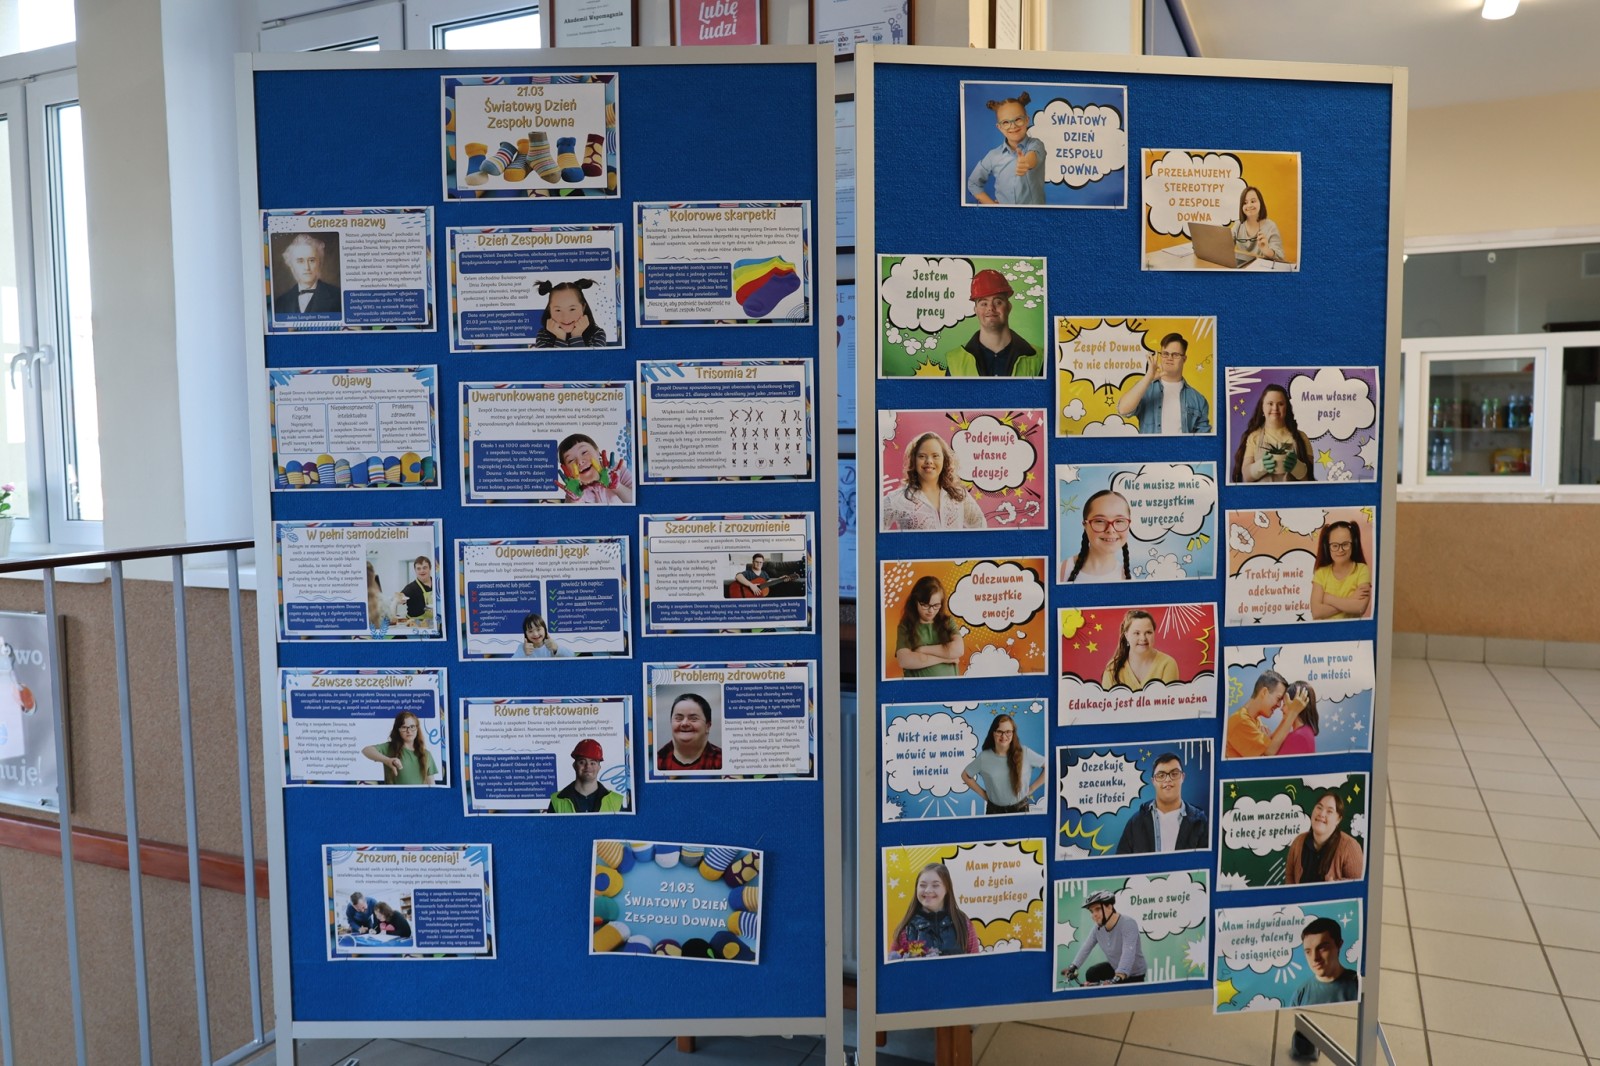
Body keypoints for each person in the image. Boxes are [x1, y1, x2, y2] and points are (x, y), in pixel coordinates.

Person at [1288, 917, 1360, 1061]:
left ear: (1339, 945)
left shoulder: (1357, 985)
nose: (1315, 958)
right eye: (1308, 951)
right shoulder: (1301, 993)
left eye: (1322, 948)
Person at [881, 432, 986, 530]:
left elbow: (981, 526)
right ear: (914, 460)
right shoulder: (897, 499)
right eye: (922, 456)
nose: (929, 461)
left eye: (935, 456)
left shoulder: (959, 494)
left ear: (944, 460)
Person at [947, 270, 1041, 377]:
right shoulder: (955, 362)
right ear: (975, 310)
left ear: (1009, 307)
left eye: (998, 302)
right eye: (984, 303)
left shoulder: (1038, 359)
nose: (991, 308)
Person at [1116, 333, 1213, 434]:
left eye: (1175, 355)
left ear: (1184, 359)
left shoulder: (1198, 400)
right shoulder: (1145, 388)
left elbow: (1204, 439)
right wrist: (1148, 377)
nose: (1169, 358)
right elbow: (1123, 410)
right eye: (1165, 353)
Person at [1114, 753, 1208, 854]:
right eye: (1161, 775)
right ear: (1153, 781)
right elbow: (1121, 861)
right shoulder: (1136, 822)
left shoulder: (1200, 822)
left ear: (1182, 777)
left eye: (1174, 774)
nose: (1168, 779)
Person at [966, 91, 1044, 206]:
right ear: (999, 127)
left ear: (1027, 120)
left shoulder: (1036, 144)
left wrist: (1026, 162)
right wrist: (991, 205)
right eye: (1006, 122)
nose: (1013, 126)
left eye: (1018, 119)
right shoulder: (993, 156)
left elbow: (1033, 156)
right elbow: (973, 183)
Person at [888, 863, 979, 959]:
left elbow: (976, 962)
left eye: (935, 885)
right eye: (922, 885)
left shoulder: (963, 923)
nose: (928, 890)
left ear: (947, 888)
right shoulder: (906, 928)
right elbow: (893, 963)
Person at [960, 714, 1045, 814]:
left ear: (1013, 733)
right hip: (994, 810)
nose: (1003, 736)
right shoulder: (984, 757)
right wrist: (984, 795)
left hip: (1021, 809)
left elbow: (1048, 767)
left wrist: (1032, 789)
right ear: (993, 733)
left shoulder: (1025, 753)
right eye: (999, 731)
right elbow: (965, 775)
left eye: (1008, 732)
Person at [1060, 890, 1147, 985]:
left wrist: (1118, 976)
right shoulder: (1097, 928)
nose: (1094, 915)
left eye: (1097, 909)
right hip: (1116, 968)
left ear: (1109, 907)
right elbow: (1086, 947)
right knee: (1092, 973)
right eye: (1091, 911)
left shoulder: (1128, 923)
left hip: (1134, 974)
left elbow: (1128, 952)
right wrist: (1073, 967)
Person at [1232, 384, 1313, 483]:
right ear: (1262, 407)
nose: (1275, 408)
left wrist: (1298, 468)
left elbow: (1309, 478)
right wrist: (1261, 466)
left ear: (1287, 408)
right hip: (1262, 493)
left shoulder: (1301, 437)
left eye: (1280, 404)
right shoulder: (1254, 437)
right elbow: (1246, 476)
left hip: (1293, 493)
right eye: (1270, 403)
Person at [1224, 670, 1310, 758]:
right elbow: (1270, 751)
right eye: (1278, 699)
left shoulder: (1254, 719)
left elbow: (1270, 744)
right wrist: (1293, 712)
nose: (1279, 705)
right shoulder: (1241, 721)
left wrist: (1287, 715)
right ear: (1264, 692)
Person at [1286, 790, 1365, 885]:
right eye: (1319, 807)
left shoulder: (1350, 847)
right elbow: (1289, 878)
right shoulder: (1298, 842)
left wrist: (1335, 887)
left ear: (1338, 819)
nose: (1322, 814)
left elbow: (1358, 887)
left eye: (1329, 811)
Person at [893, 575, 963, 678]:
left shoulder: (947, 622)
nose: (931, 611)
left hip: (949, 685)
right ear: (915, 601)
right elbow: (904, 660)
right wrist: (945, 659)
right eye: (925, 605)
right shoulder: (906, 626)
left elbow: (958, 650)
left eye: (936, 605)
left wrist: (922, 650)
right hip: (920, 687)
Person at [1062, 489, 1132, 583]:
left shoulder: (1129, 579)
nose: (1110, 530)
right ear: (1085, 525)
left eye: (1119, 521)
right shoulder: (1060, 571)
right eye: (1100, 521)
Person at [1101, 609, 1178, 691]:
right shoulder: (1112, 669)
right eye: (1137, 633)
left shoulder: (1167, 664)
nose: (1143, 638)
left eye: (1148, 632)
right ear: (1126, 635)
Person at [1311, 521, 1372, 620]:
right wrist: (1351, 599)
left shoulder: (1362, 569)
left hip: (1352, 629)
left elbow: (1360, 608)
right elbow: (1316, 612)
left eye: (1345, 544)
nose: (1340, 550)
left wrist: (1328, 598)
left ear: (1354, 544)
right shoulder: (1321, 573)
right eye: (1335, 545)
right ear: (1327, 547)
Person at [548, 738, 626, 812]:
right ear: (574, 765)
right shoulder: (557, 800)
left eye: (592, 763)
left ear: (599, 767)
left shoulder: (616, 801)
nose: (588, 766)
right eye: (582, 762)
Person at [272, 233, 342, 315]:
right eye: (300, 261)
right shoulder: (281, 302)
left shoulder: (338, 297)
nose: (307, 267)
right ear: (291, 265)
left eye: (312, 260)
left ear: (319, 263)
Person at [556, 432, 634, 504]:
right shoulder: (574, 489)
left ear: (597, 452)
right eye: (571, 460)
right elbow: (570, 513)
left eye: (584, 452)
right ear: (567, 470)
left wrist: (617, 487)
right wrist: (574, 500)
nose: (579, 461)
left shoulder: (615, 471)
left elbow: (636, 500)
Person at [361, 711, 437, 784]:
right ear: (398, 730)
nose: (409, 731)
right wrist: (387, 760)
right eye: (404, 727)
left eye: (412, 726)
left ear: (417, 728)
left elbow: (432, 785)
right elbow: (366, 750)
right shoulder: (390, 748)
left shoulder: (426, 754)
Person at [532, 278, 607, 347]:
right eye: (558, 310)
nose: (566, 317)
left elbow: (587, 358)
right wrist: (560, 338)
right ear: (549, 310)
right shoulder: (543, 335)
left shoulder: (597, 334)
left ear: (583, 307)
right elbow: (551, 358)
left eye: (572, 309)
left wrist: (577, 336)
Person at [656, 693, 722, 771]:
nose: (684, 723)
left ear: (707, 726)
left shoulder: (721, 761)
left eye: (693, 718)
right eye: (679, 718)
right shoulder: (658, 760)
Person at [1233, 185, 1286, 263]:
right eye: (1245, 203)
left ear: (1260, 203)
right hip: (1243, 266)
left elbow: (1280, 256)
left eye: (1253, 201)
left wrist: (1267, 251)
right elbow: (1225, 246)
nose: (1249, 205)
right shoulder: (1238, 225)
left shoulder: (1271, 227)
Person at [1277, 681, 1321, 756]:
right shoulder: (1306, 731)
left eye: (1284, 704)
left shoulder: (1299, 737)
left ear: (1296, 704)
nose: (1281, 709)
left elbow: (1275, 762)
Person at [394, 556, 436, 623]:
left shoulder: (438, 583)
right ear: (415, 570)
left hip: (434, 622)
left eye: (424, 568)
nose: (422, 571)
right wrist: (399, 598)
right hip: (414, 624)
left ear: (430, 568)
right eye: (418, 569)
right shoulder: (411, 588)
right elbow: (401, 595)